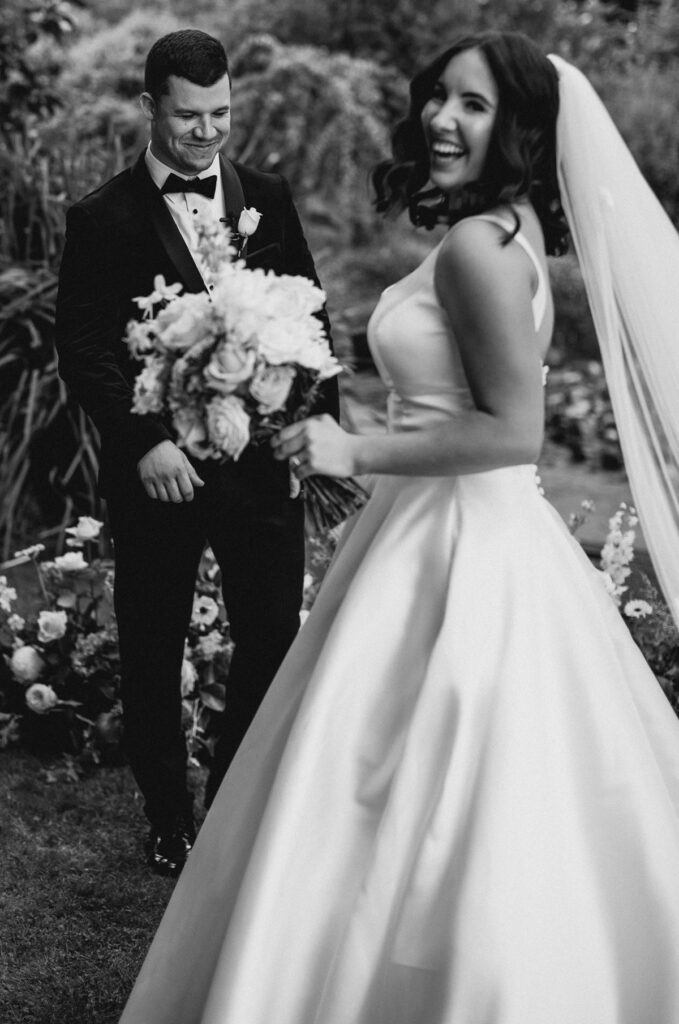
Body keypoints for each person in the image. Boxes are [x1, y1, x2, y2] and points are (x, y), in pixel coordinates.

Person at [118, 30, 679, 1023]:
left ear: (522, 129)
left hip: (459, 544)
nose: (440, 118)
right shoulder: (503, 229)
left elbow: (510, 432)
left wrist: (355, 449)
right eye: (439, 96)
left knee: (402, 773)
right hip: (442, 529)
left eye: (473, 104)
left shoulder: (476, 250)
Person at [54, 28, 338, 877]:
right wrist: (143, 442)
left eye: (220, 113)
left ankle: (230, 804)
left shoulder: (267, 198)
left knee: (271, 637)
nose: (207, 131)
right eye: (188, 116)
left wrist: (313, 433)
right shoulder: (101, 217)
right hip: (161, 475)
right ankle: (168, 819)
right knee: (152, 644)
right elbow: (85, 348)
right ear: (150, 107)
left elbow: (311, 316)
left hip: (261, 469)